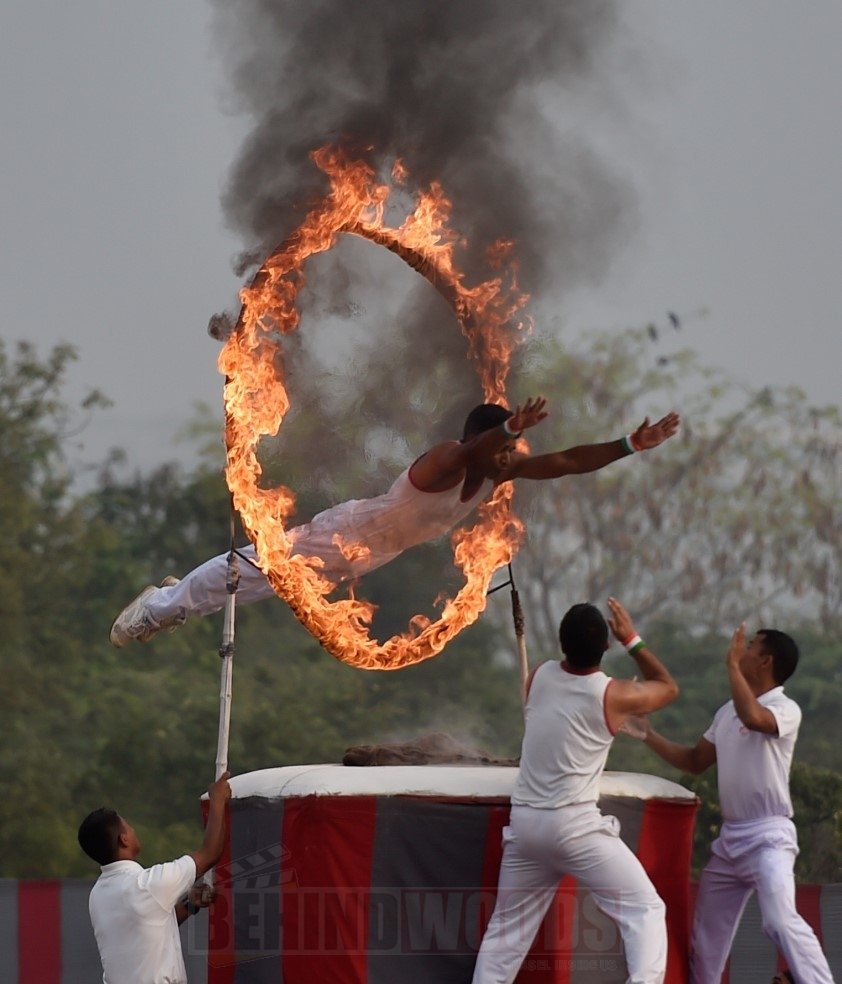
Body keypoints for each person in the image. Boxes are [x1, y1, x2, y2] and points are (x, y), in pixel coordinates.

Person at [111, 399, 680, 646]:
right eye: (507, 446)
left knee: (261, 591)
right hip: (346, 533)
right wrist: (505, 432)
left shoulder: (496, 472)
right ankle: (159, 609)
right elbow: (480, 445)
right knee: (253, 572)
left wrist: (632, 443)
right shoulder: (447, 459)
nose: (513, 459)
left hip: (375, 554)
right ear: (483, 440)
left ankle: (176, 599)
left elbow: (569, 461)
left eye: (515, 449)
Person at [471, 598, 680, 984]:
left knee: (504, 938)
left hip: (526, 827)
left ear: (561, 643)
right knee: (644, 908)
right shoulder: (614, 695)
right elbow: (668, 689)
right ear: (605, 647)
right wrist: (631, 639)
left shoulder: (539, 675)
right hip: (574, 828)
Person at [625, 624, 834, 984]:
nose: (743, 650)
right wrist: (647, 734)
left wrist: (731, 667)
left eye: (751, 647)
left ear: (765, 661)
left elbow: (755, 719)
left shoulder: (785, 708)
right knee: (706, 945)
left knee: (780, 921)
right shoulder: (726, 711)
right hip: (731, 841)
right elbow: (694, 761)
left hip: (770, 835)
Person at [78, 771, 231, 984]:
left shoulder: (98, 895)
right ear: (124, 840)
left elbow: (150, 928)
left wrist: (189, 905)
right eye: (128, 826)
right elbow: (210, 853)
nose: (133, 830)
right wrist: (218, 802)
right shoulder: (146, 885)